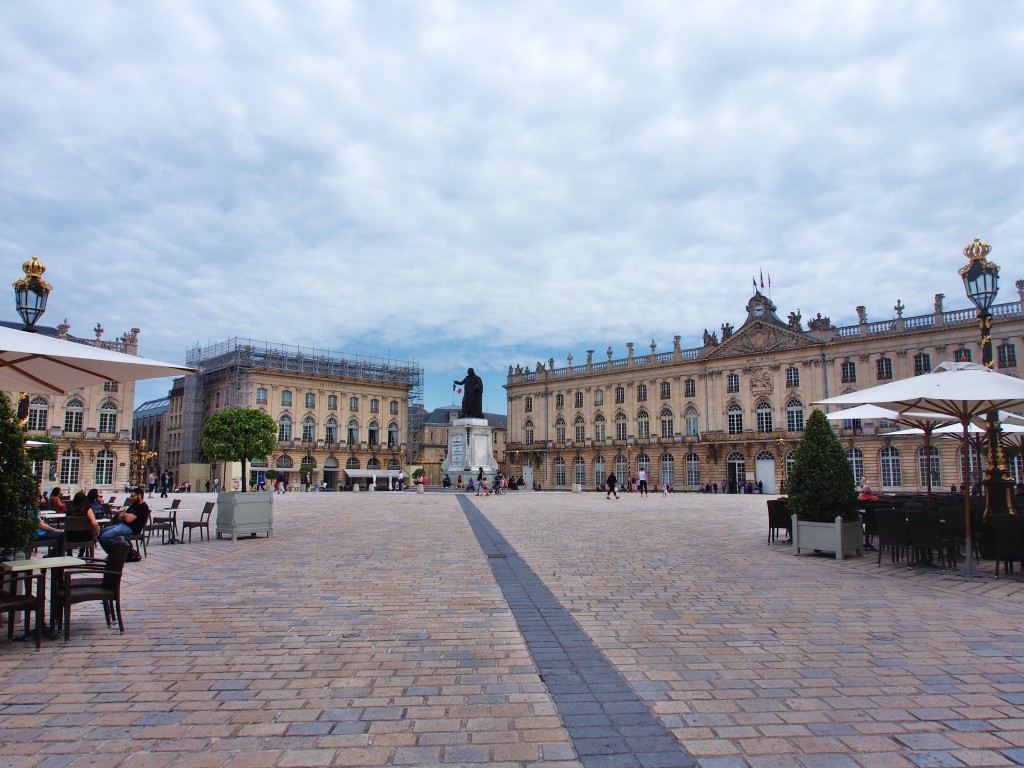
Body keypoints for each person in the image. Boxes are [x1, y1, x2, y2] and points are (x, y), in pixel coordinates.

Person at [97, 486, 150, 561]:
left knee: (105, 536)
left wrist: (124, 515)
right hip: (123, 525)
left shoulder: (143, 507)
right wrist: (124, 515)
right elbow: (120, 517)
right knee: (99, 533)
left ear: (140, 495)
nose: (131, 498)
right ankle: (111, 554)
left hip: (132, 528)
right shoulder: (134, 504)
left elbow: (128, 519)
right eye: (130, 496)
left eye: (133, 496)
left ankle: (123, 553)